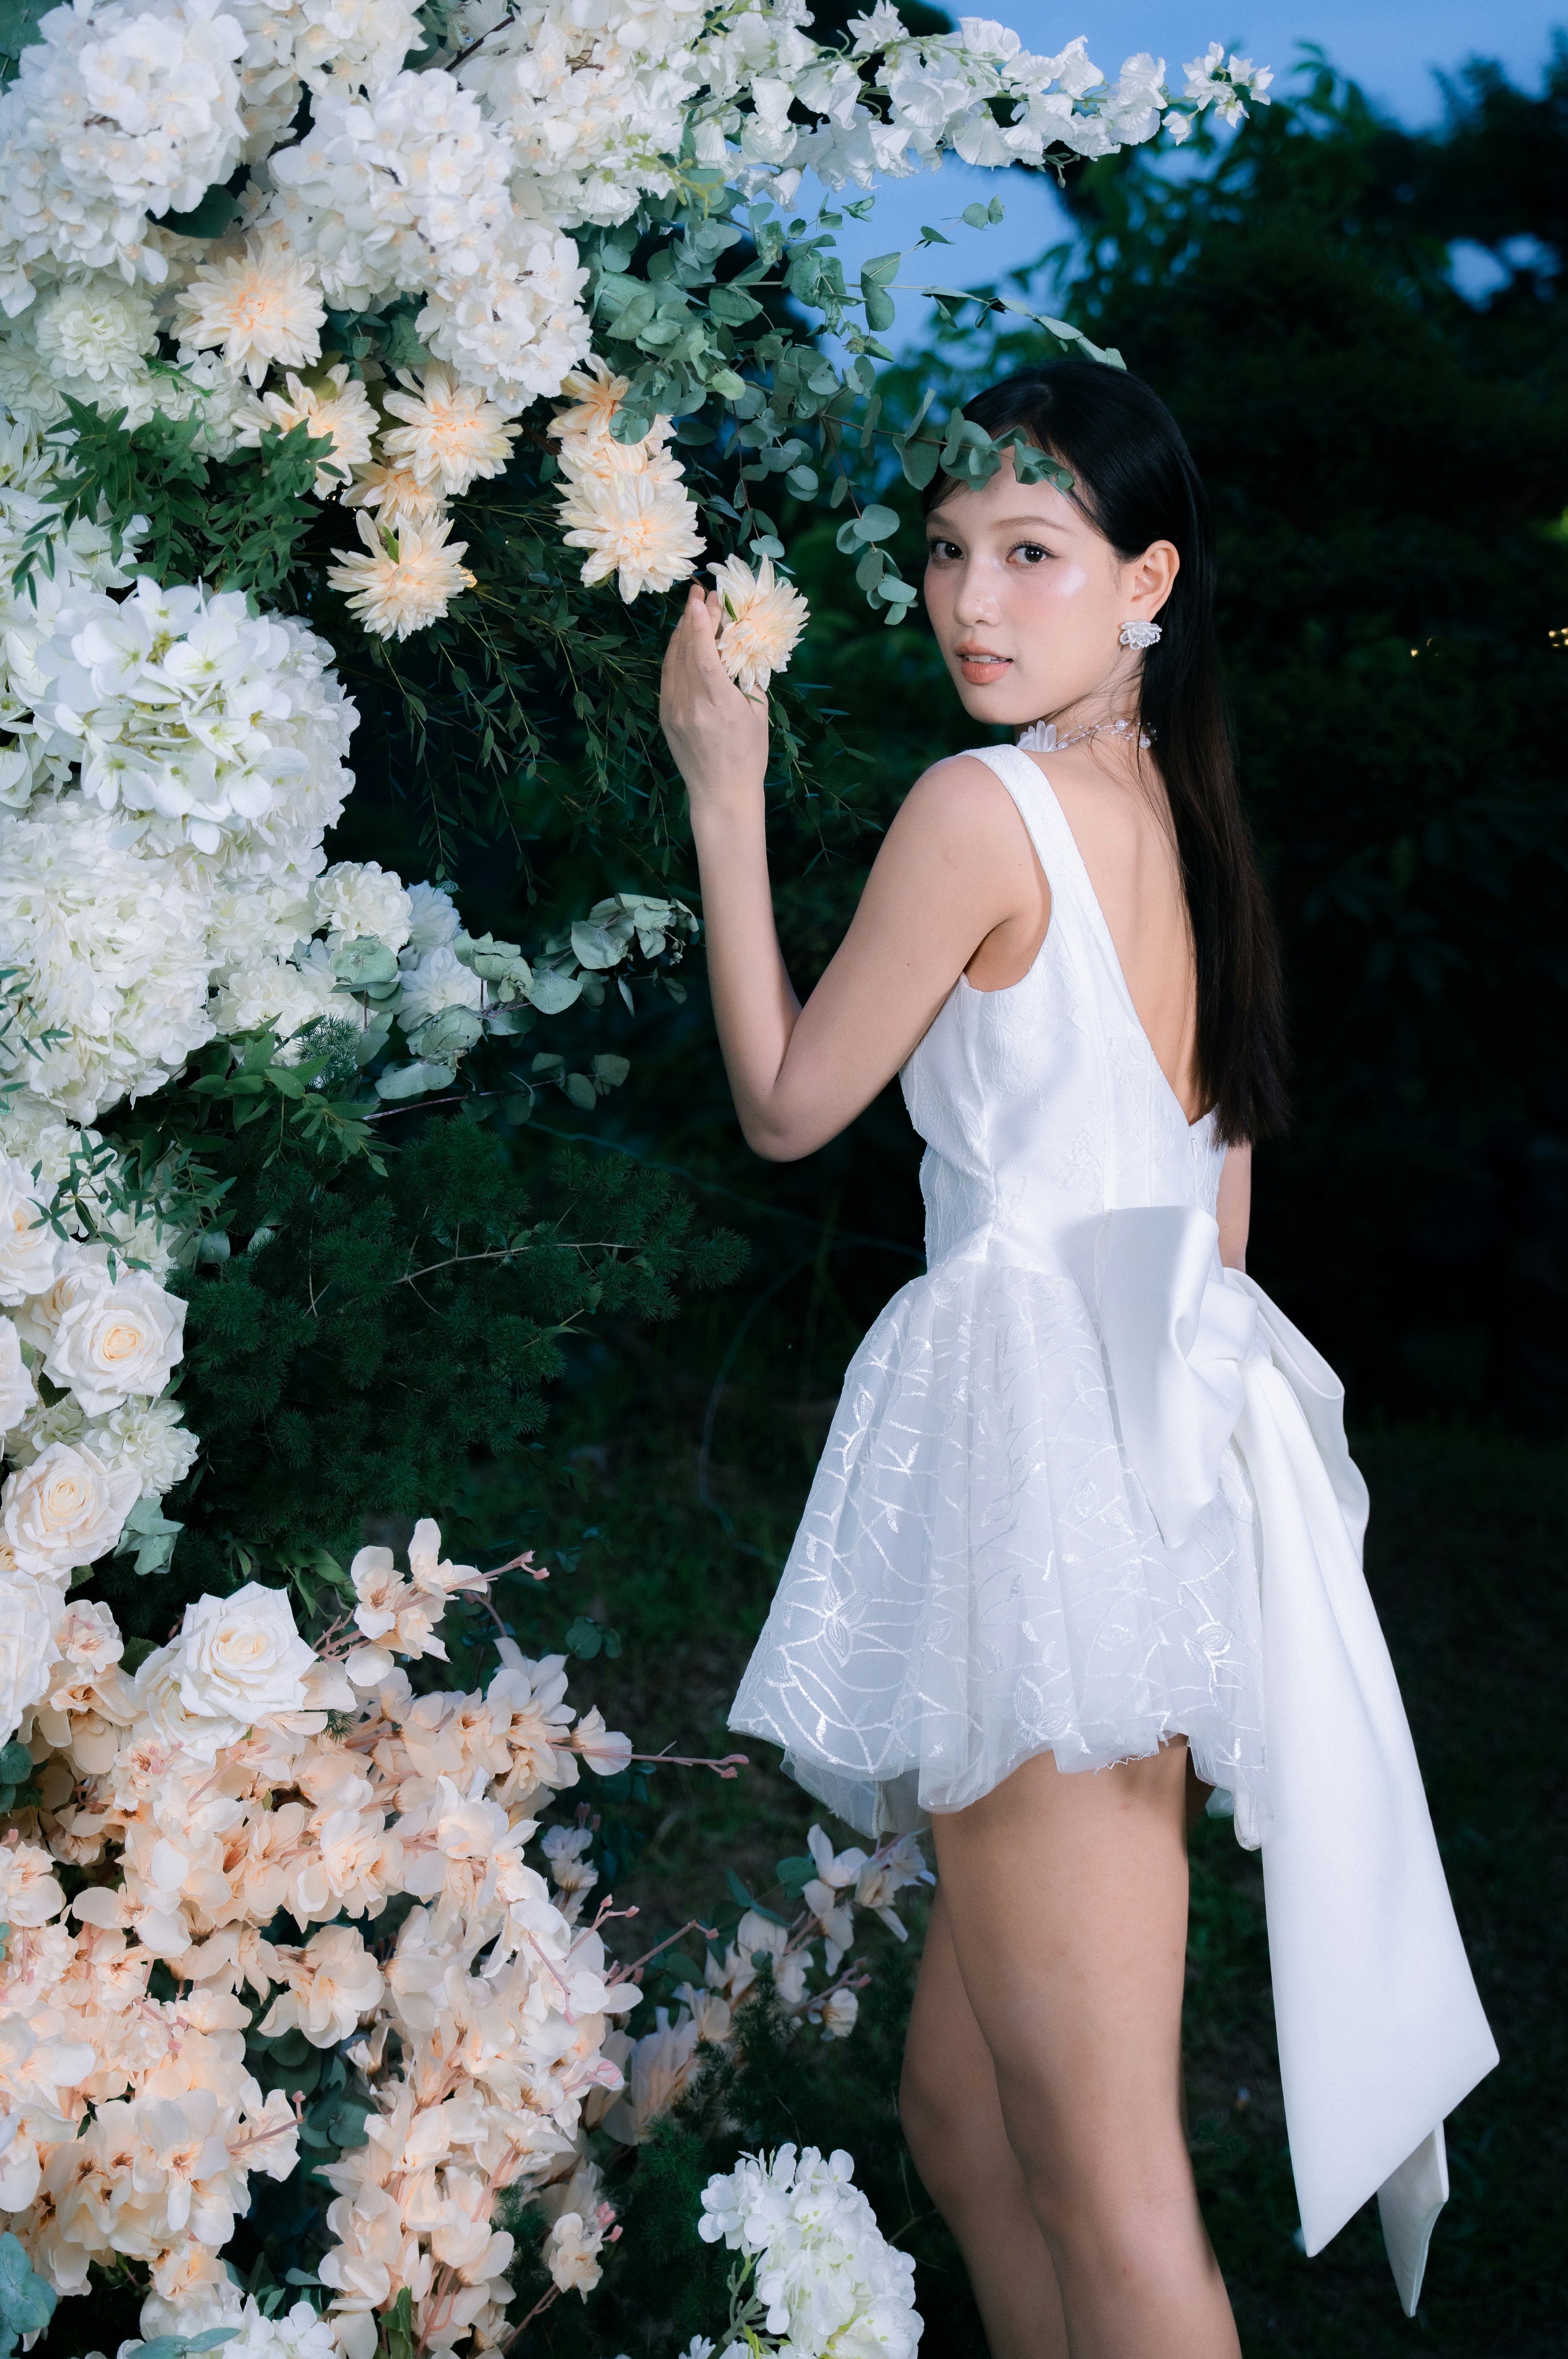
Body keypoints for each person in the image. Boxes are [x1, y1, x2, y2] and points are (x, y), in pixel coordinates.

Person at [658, 360, 1495, 2359]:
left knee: (1119, 2190)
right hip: (1147, 1439)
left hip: (1043, 1472)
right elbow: (1216, 1224)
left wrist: (719, 790)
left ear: (1146, 583)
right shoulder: (1187, 821)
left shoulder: (984, 805)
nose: (971, 599)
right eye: (948, 553)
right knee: (961, 2103)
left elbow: (788, 1101)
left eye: (1032, 555)